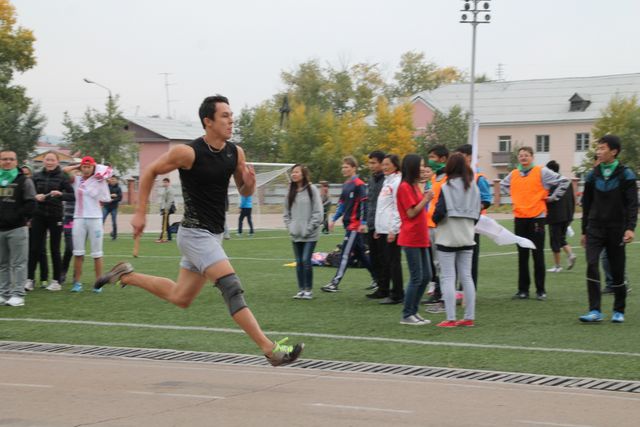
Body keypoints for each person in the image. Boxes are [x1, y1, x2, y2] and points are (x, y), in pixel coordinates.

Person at [95, 95, 303, 366]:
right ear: (208, 121)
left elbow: (244, 191)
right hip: (194, 233)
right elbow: (149, 172)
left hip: (214, 234)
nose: (231, 120)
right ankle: (270, 349)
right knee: (231, 286)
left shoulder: (235, 153)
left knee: (180, 297)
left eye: (231, 115)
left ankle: (126, 275)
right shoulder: (188, 152)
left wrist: (250, 183)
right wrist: (140, 212)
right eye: (225, 116)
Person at [579, 135, 637, 323]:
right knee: (591, 265)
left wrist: (630, 228)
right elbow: (586, 205)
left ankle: (619, 310)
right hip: (594, 228)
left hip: (616, 228)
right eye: (598, 148)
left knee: (617, 270)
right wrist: (584, 231)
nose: (599, 151)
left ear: (614, 151)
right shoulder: (592, 175)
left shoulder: (626, 174)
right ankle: (594, 310)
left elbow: (632, 204)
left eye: (602, 148)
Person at [501, 146, 569, 300]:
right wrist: (514, 197)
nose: (523, 157)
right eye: (521, 155)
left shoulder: (541, 171)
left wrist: (553, 198)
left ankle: (540, 290)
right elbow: (504, 185)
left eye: (526, 155)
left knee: (537, 254)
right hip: (520, 218)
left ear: (532, 157)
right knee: (522, 255)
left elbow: (564, 181)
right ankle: (523, 290)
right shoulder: (513, 174)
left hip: (537, 218)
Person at [432, 153, 481, 328]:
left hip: (448, 235)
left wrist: (435, 221)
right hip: (467, 235)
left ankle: (451, 318)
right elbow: (477, 214)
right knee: (467, 276)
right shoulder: (473, 186)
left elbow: (439, 212)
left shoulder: (447, 186)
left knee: (448, 277)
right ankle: (469, 317)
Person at [321, 156, 375, 293]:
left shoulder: (359, 184)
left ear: (354, 168)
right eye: (343, 167)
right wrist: (334, 219)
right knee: (361, 255)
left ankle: (335, 283)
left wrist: (363, 222)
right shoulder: (346, 184)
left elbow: (364, 204)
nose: (343, 169)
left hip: (354, 226)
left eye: (346, 167)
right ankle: (378, 279)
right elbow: (342, 205)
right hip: (348, 225)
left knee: (345, 254)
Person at [63, 156, 112, 293]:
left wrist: (97, 171)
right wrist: (77, 166)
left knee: (97, 253)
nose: (86, 169)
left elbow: (105, 195)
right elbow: (64, 171)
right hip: (79, 218)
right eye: (84, 166)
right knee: (78, 252)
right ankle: (77, 283)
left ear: (93, 167)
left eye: (89, 167)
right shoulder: (76, 180)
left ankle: (98, 283)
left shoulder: (99, 179)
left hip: (95, 218)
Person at [27, 151, 74, 292]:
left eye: (52, 160)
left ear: (57, 162)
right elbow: (28, 193)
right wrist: (35, 196)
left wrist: (60, 194)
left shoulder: (63, 177)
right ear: (43, 161)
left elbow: (72, 196)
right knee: (34, 248)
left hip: (55, 216)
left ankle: (56, 281)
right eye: (47, 160)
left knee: (55, 249)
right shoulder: (36, 176)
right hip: (38, 215)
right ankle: (29, 280)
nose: (49, 162)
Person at [396, 154, 433, 325]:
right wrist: (426, 199)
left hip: (421, 236)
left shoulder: (414, 186)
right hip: (411, 237)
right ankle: (407, 314)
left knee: (427, 275)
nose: (423, 168)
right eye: (421, 165)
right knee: (417, 277)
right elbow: (411, 213)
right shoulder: (404, 187)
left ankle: (414, 311)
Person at [0, 150, 36, 307]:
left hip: (17, 228)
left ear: (16, 161)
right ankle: (3, 294)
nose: (7, 161)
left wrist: (18, 216)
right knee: (2, 264)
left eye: (11, 159)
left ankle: (18, 295)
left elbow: (31, 203)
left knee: (19, 263)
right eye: (4, 159)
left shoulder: (24, 180)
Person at [283, 164, 323, 300]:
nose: (294, 174)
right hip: (295, 234)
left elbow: (318, 212)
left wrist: (309, 228)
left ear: (303, 174)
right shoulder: (290, 191)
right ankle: (301, 290)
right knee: (299, 261)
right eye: (292, 172)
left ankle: (308, 290)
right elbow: (286, 213)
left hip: (310, 234)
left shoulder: (312, 190)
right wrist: (291, 227)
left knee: (306, 260)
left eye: (296, 172)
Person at [455, 144, 492, 288]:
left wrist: (472, 208)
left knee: (470, 259)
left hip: (472, 225)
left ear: (469, 157)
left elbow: (486, 200)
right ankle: (456, 289)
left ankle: (468, 289)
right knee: (455, 258)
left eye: (461, 156)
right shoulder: (456, 176)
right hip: (456, 224)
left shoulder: (478, 178)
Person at [373, 154, 404, 305]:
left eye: (387, 164)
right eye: (383, 164)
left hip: (392, 229)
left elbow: (398, 207)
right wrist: (378, 227)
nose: (384, 167)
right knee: (386, 262)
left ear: (395, 165)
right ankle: (389, 291)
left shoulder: (397, 182)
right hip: (383, 228)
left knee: (393, 262)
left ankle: (397, 293)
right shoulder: (387, 181)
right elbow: (382, 207)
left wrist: (393, 229)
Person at [423, 145, 449, 312]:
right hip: (430, 225)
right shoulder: (434, 177)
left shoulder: (448, 177)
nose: (430, 160)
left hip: (441, 225)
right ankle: (438, 293)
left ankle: (445, 297)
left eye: (433, 157)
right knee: (435, 262)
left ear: (443, 158)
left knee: (443, 263)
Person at [544, 161, 577, 273]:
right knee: (561, 238)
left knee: (554, 241)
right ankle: (570, 254)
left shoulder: (552, 183)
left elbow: (548, 199)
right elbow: (572, 199)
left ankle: (557, 266)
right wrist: (571, 215)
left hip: (555, 217)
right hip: (567, 215)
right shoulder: (567, 182)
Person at [365, 150, 386, 298]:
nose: (371, 166)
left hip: (383, 225)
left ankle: (385, 288)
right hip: (372, 223)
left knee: (384, 258)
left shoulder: (387, 180)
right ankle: (380, 286)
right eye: (370, 163)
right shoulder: (372, 179)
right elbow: (369, 202)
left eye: (374, 163)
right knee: (374, 257)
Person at [102, 175, 122, 240]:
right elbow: (103, 195)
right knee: (102, 220)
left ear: (116, 180)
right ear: (109, 180)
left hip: (114, 207)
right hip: (106, 206)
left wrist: (113, 199)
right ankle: (99, 234)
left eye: (114, 179)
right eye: (111, 179)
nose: (112, 180)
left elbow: (120, 198)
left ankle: (114, 236)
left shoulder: (118, 188)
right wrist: (111, 195)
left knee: (114, 222)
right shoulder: (106, 187)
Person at [157, 177, 175, 242]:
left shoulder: (170, 190)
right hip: (164, 208)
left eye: (165, 182)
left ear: (168, 183)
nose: (164, 183)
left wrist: (166, 209)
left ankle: (162, 237)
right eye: (163, 182)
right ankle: (169, 238)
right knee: (166, 223)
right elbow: (163, 200)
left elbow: (170, 201)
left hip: (167, 209)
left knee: (164, 223)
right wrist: (162, 209)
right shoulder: (165, 189)